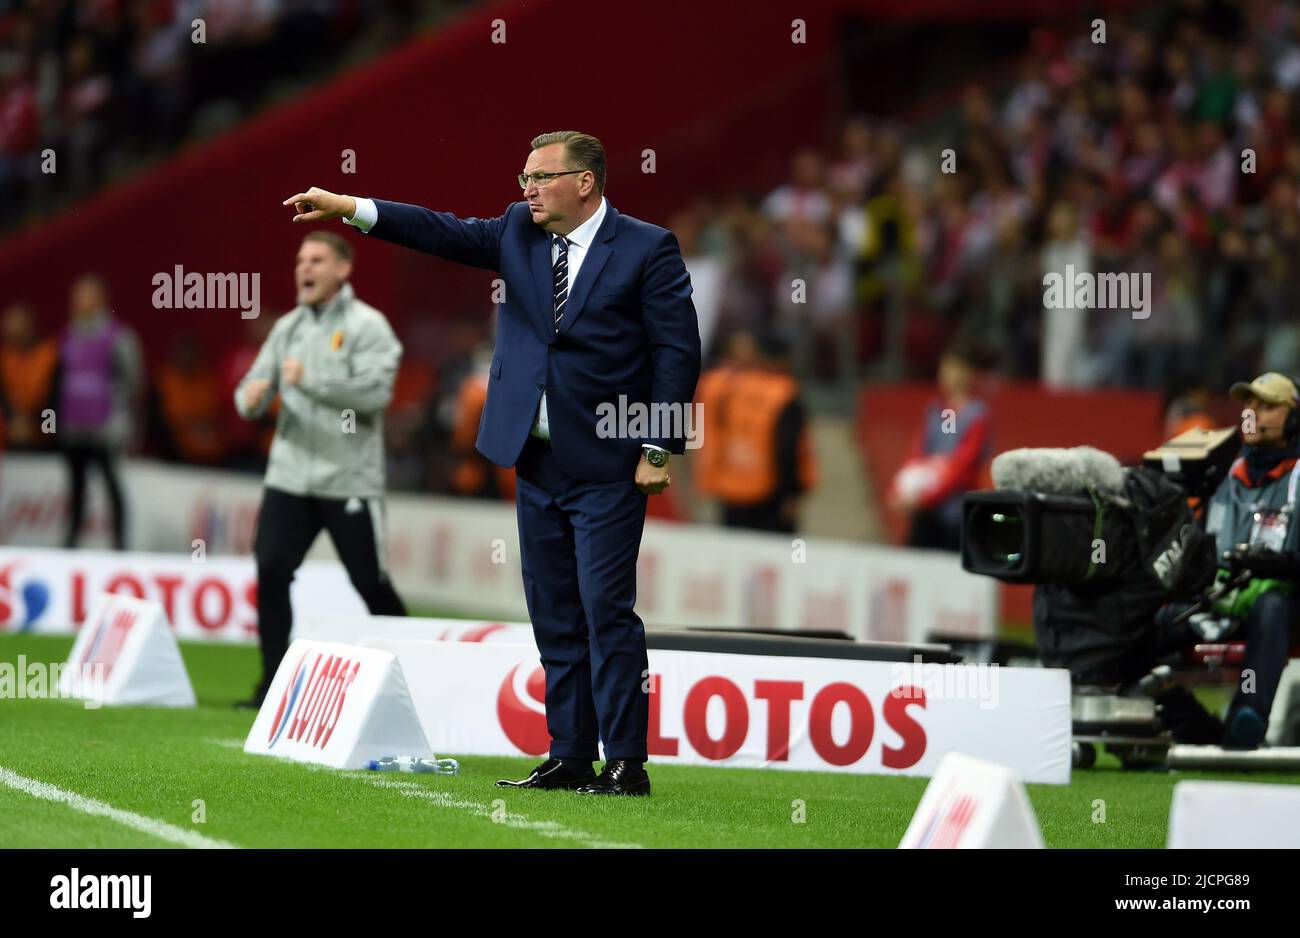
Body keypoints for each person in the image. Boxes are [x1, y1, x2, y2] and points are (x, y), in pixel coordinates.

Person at [283, 130, 702, 795]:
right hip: (533, 458)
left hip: (610, 462)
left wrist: (658, 446)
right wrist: (350, 206)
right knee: (553, 610)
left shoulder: (648, 248)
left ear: (586, 182)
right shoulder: (517, 230)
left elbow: (677, 352)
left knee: (604, 607)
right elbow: (439, 231)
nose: (527, 190)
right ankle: (569, 754)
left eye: (540, 178)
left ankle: (626, 762)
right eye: (524, 179)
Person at [233, 231, 407, 708]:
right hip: (289, 475)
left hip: (347, 480)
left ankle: (413, 678)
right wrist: (248, 399)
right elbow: (255, 385)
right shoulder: (287, 327)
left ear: (343, 270)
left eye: (316, 260)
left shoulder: (369, 326)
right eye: (300, 260)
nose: (304, 268)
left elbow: (375, 394)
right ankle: (272, 683)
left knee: (370, 584)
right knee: (270, 570)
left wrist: (310, 381)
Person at [1158, 372, 1300, 748]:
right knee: (1156, 619)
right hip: (1222, 599)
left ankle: (1246, 717)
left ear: (1294, 417)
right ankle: (1163, 713)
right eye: (1249, 404)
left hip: (1285, 604)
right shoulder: (1221, 474)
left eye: (1267, 406)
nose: (1252, 413)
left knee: (1271, 607)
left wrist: (1279, 564)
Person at [694, 330, 817, 533]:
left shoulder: (721, 385)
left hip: (730, 484)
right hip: (769, 493)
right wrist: (790, 493)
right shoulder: (784, 393)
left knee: (735, 555)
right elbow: (786, 448)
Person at [56, 274, 143, 549]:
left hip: (106, 427)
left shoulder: (118, 336)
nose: (78, 300)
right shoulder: (68, 336)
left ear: (100, 298)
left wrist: (128, 425)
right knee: (76, 486)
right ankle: (70, 543)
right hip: (74, 425)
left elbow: (133, 381)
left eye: (84, 294)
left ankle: (120, 545)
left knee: (111, 483)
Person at [889, 341, 992, 551]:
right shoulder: (938, 411)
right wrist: (900, 489)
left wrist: (927, 497)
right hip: (927, 512)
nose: (947, 374)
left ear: (968, 373)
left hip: (955, 515)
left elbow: (962, 465)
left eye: (954, 368)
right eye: (944, 368)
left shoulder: (976, 415)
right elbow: (919, 453)